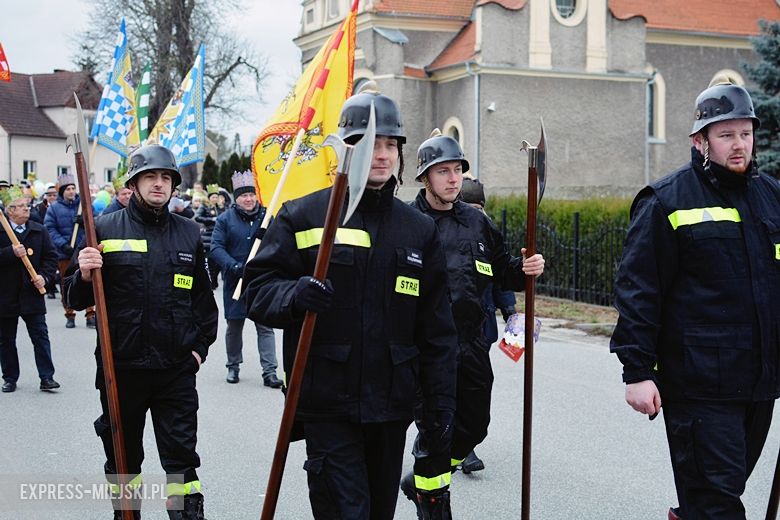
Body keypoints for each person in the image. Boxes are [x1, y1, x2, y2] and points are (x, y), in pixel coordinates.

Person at [243, 86, 458, 520]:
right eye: (368, 144)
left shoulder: (417, 229)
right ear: (344, 147)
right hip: (327, 401)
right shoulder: (303, 215)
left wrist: (439, 406)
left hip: (391, 405)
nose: (381, 155)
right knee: (346, 512)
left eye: (389, 145)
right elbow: (256, 289)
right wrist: (293, 294)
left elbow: (436, 329)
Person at [610, 80, 780, 520]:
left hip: (760, 383)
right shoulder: (666, 201)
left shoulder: (772, 198)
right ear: (700, 140)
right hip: (699, 386)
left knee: (716, 495)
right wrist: (637, 370)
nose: (739, 145)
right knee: (717, 504)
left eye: (745, 133)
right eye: (726, 135)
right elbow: (638, 290)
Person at [65, 144, 219, 520]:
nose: (159, 184)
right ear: (133, 183)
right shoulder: (101, 228)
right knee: (123, 458)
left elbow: (203, 301)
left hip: (175, 371)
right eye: (150, 176)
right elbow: (73, 294)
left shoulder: (189, 233)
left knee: (182, 463)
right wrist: (84, 273)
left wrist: (198, 350)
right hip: (122, 369)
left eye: (166, 177)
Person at [398, 130, 544, 514]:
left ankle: (422, 475)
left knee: (475, 425)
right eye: (442, 171)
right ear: (425, 177)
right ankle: (432, 499)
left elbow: (502, 271)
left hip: (472, 342)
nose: (452, 179)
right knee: (437, 428)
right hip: (427, 349)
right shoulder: (407, 223)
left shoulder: (477, 223)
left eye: (457, 170)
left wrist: (525, 269)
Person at [456, 174, 518, 475]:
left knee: (472, 392)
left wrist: (512, 315)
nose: (477, 215)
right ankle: (458, 448)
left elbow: (500, 277)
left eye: (481, 208)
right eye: (471, 208)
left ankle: (461, 441)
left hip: (480, 331)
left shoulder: (487, 232)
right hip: (446, 330)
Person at [210, 171, 281, 387]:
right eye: (243, 196)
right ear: (236, 198)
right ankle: (233, 366)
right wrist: (234, 266)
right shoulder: (224, 220)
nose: (248, 199)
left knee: (265, 327)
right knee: (234, 326)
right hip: (235, 281)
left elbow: (279, 244)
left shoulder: (268, 217)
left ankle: (269, 371)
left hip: (261, 281)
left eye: (252, 194)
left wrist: (265, 259)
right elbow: (216, 248)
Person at [0, 186, 60, 393]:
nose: (27, 209)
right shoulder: (1, 231)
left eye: (27, 205)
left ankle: (47, 377)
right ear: (10, 211)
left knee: (40, 336)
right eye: (22, 206)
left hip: (31, 294)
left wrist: (45, 277)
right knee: (6, 339)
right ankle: (9, 377)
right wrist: (10, 252)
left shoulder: (38, 229)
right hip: (5, 295)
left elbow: (51, 257)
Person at [44, 172, 95, 329]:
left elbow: (97, 223)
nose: (71, 191)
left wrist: (85, 220)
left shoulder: (84, 206)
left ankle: (90, 314)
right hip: (65, 252)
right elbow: (50, 229)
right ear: (62, 192)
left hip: (84, 249)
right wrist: (63, 244)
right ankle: (70, 314)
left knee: (89, 281)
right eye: (68, 189)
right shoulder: (54, 209)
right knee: (67, 283)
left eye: (73, 188)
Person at [194, 184, 222, 289]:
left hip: (219, 236)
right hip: (208, 237)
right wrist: (211, 220)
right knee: (211, 262)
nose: (215, 199)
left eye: (216, 197)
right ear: (209, 197)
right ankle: (211, 282)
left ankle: (213, 281)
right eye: (213, 197)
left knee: (219, 262)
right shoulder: (205, 206)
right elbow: (197, 217)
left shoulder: (220, 207)